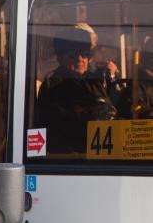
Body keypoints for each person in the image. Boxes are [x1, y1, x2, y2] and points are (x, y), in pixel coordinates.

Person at [31, 24, 120, 155]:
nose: (80, 59)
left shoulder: (93, 81)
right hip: (72, 158)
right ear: (60, 57)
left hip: (101, 153)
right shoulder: (54, 85)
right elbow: (60, 126)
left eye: (84, 54)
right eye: (72, 55)